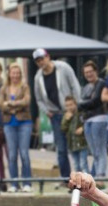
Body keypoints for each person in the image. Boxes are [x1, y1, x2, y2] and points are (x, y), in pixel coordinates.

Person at [33, 48, 81, 183]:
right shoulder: (38, 77)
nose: (41, 62)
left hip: (71, 111)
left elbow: (74, 85)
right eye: (37, 61)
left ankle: (82, 177)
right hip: (55, 115)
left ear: (48, 57)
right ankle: (66, 179)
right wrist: (46, 111)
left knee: (76, 145)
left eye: (42, 58)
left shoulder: (63, 68)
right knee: (61, 148)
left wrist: (77, 107)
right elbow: (38, 99)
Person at [0, 63, 33, 193]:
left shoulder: (25, 87)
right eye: (13, 73)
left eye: (18, 73)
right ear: (9, 74)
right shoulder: (4, 88)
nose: (15, 75)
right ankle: (13, 183)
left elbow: (27, 101)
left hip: (24, 122)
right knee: (12, 155)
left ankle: (27, 183)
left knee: (24, 153)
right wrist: (13, 106)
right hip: (9, 124)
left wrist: (11, 104)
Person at [78, 60, 108, 179]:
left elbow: (95, 101)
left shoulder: (101, 83)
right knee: (94, 150)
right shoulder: (86, 87)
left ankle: (101, 175)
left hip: (99, 118)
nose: (89, 74)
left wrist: (82, 104)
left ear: (96, 71)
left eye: (91, 71)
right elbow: (83, 101)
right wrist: (84, 103)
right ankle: (96, 174)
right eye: (86, 72)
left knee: (100, 148)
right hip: (87, 120)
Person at [62, 96, 89, 174]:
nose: (69, 107)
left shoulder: (81, 113)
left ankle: (87, 182)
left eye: (71, 105)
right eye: (67, 106)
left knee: (83, 164)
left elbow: (86, 122)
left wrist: (83, 128)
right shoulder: (66, 116)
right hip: (72, 145)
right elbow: (63, 128)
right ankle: (79, 184)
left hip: (82, 143)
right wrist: (67, 120)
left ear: (75, 104)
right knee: (76, 165)